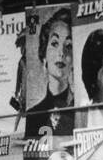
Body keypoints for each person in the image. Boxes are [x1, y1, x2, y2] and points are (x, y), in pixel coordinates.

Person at [24, 8, 74, 140]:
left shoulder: (81, 111)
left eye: (68, 45)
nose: (61, 53)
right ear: (44, 54)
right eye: (54, 43)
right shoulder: (31, 116)